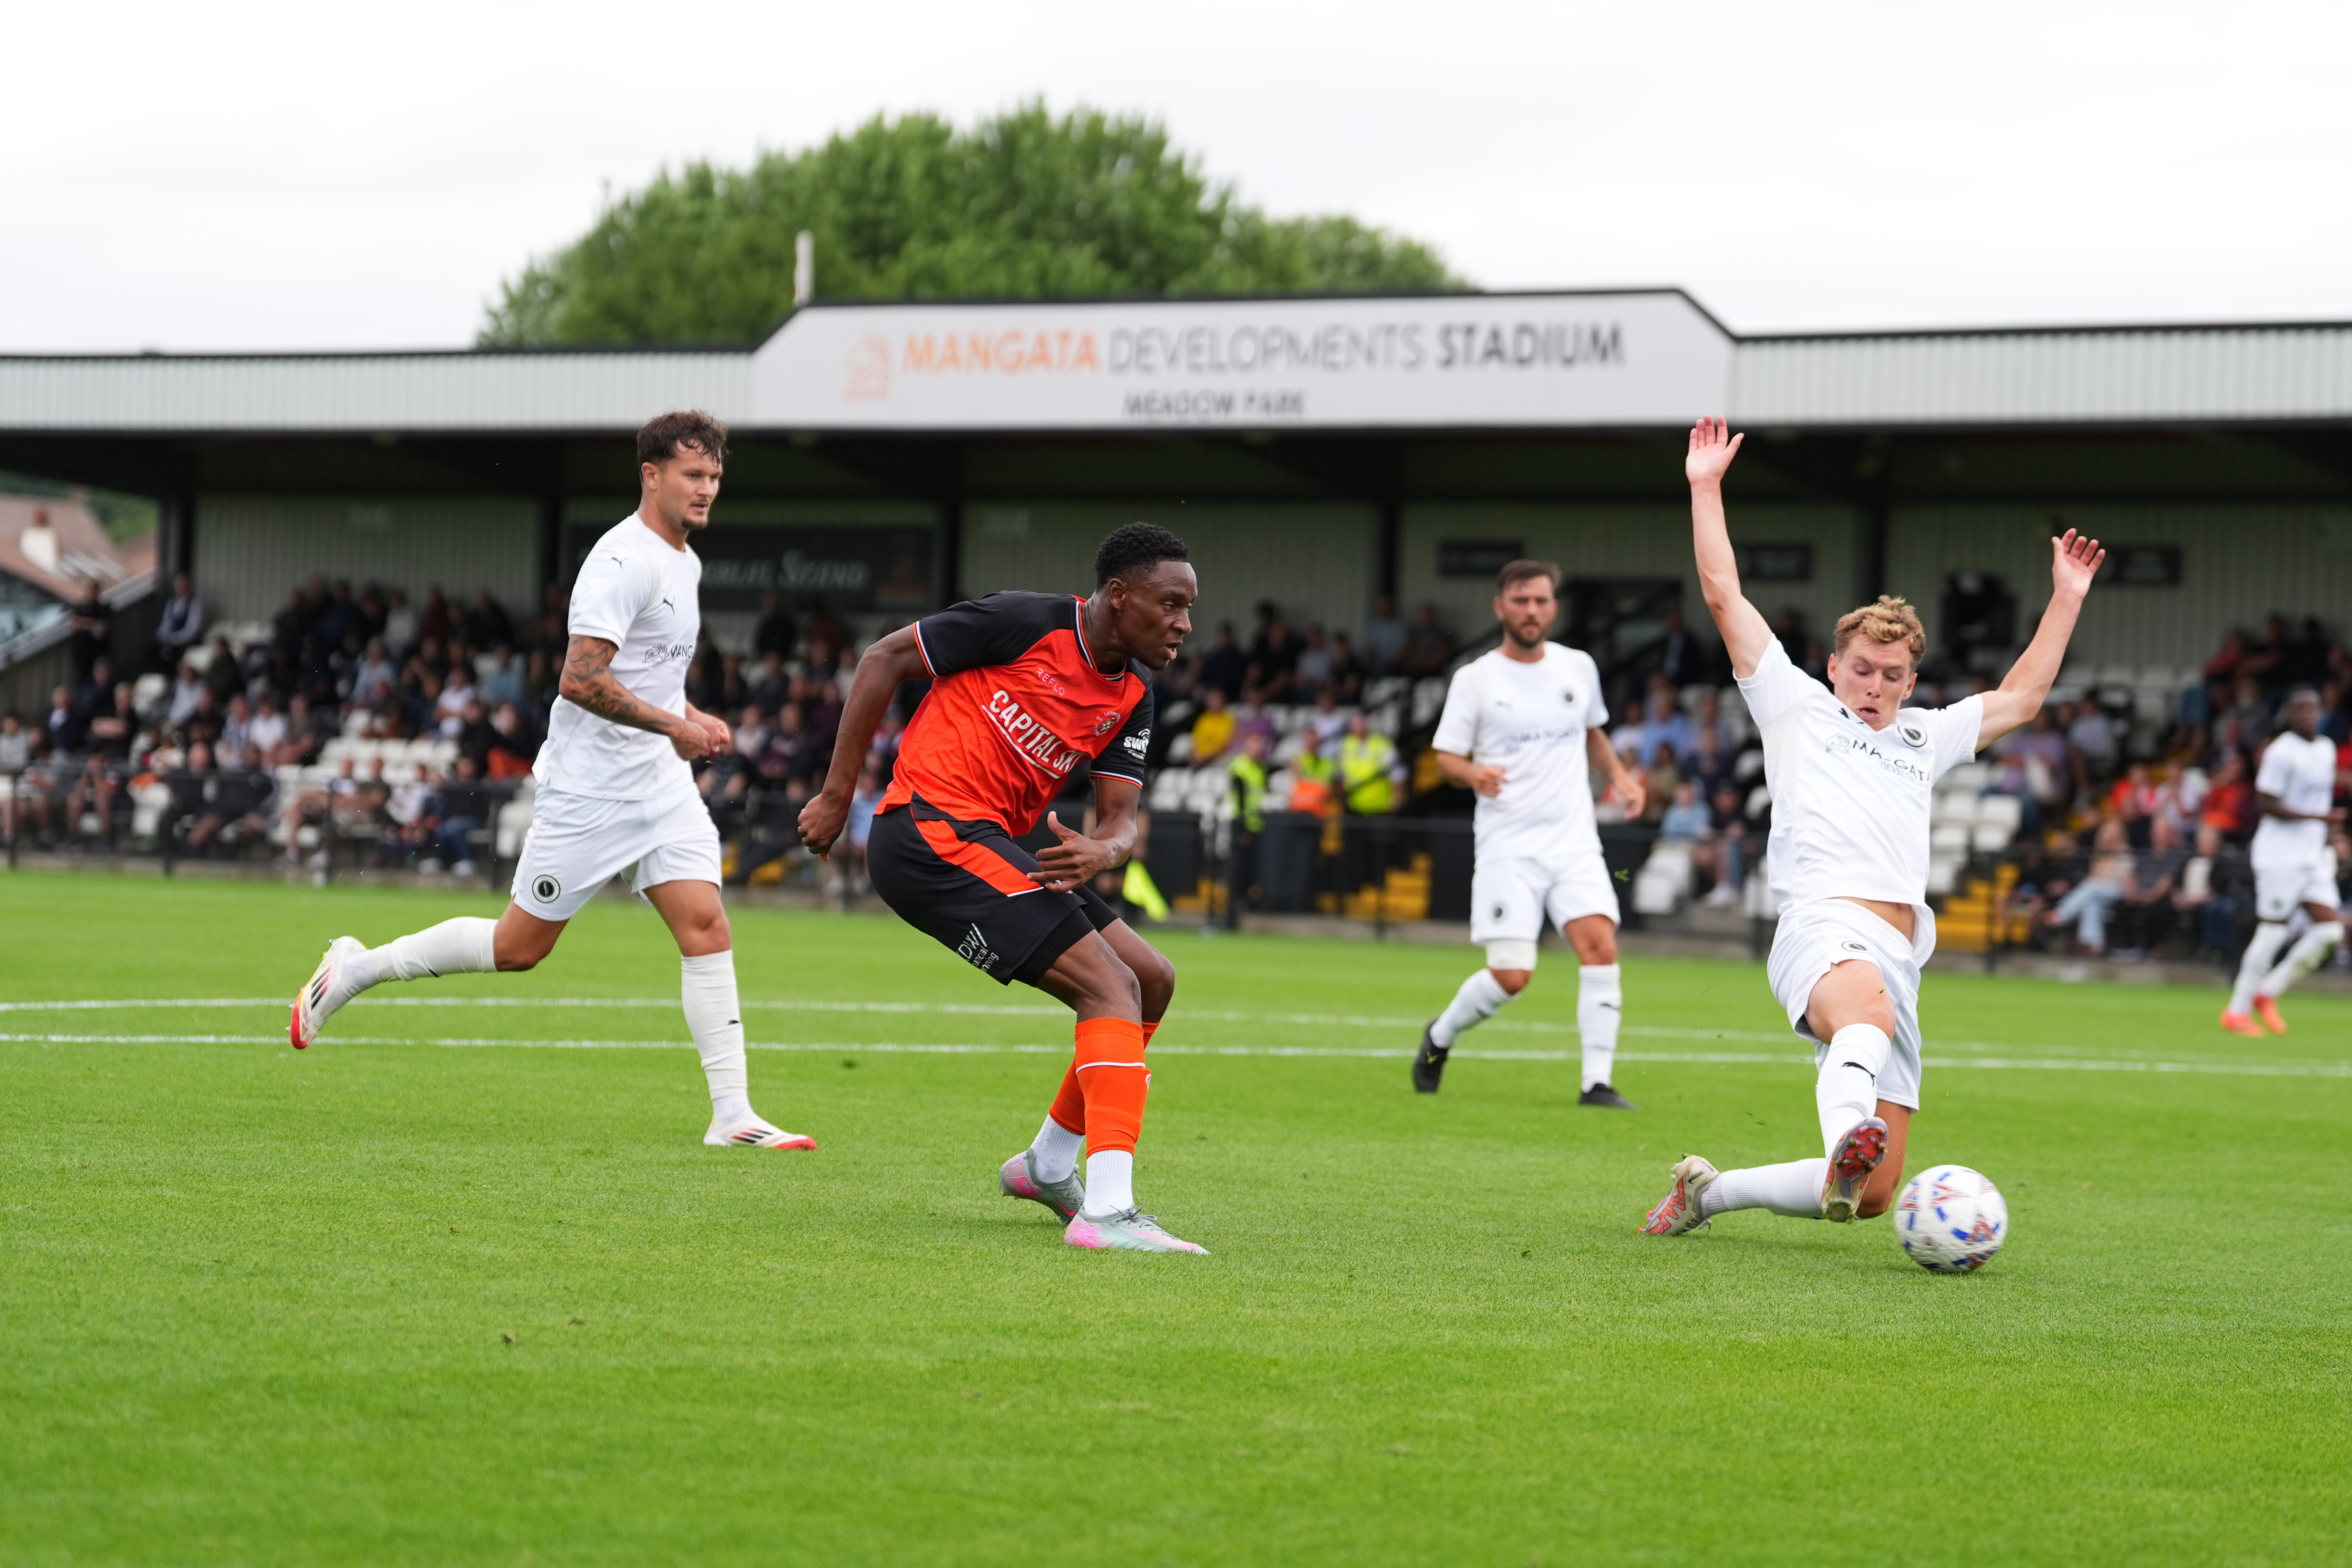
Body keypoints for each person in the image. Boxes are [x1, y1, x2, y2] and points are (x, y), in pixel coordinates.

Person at [290, 411, 813, 1152]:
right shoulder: (622, 561)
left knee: (706, 926)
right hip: (591, 791)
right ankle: (356, 968)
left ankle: (733, 1114)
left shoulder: (686, 563)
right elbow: (579, 680)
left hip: (660, 786)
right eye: (693, 475)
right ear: (652, 476)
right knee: (519, 947)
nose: (706, 490)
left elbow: (651, 679)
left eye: (715, 477)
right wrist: (675, 726)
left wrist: (692, 717)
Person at [1645, 418, 2104, 1238]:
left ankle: (1706, 1194)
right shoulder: (1794, 706)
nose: (1874, 685)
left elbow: (2022, 698)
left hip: (1900, 954)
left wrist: (2066, 597)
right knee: (1863, 1012)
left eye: (1892, 675)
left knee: (1874, 1196)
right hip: (1820, 924)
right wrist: (1704, 485)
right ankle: (1845, 1138)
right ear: (1832, 666)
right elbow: (1722, 593)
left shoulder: (1926, 736)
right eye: (1860, 669)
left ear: (1910, 682)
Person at [797, 522, 1204, 1254]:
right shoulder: (1024, 621)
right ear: (1119, 595)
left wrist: (1103, 851)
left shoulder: (1134, 696)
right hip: (927, 832)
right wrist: (836, 795)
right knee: (1111, 986)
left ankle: (1048, 1165)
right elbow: (884, 658)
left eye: (1188, 609)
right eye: (1170, 605)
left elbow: (1121, 820)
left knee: (1151, 979)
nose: (1184, 625)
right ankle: (1109, 1212)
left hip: (993, 845)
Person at [1411, 559, 1647, 1107]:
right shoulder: (1476, 678)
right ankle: (1439, 1036)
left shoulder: (1578, 667)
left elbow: (1592, 732)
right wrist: (1474, 773)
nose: (1531, 610)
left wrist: (1618, 777)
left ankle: (1596, 1083)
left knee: (1600, 948)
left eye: (1541, 601)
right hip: (1509, 846)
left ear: (1554, 608)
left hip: (1574, 841)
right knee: (1512, 975)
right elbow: (1446, 757)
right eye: (1520, 601)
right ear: (1501, 608)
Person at [2221, 687, 2346, 1034]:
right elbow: (2265, 803)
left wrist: (2328, 834)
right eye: (2301, 710)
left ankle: (2268, 992)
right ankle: (2237, 1011)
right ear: (2288, 715)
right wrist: (2319, 819)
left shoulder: (2325, 748)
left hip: (2312, 855)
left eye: (2314, 709)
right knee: (2273, 931)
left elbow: (2321, 795)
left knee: (2330, 931)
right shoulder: (2280, 752)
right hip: (2280, 856)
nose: (2309, 715)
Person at [154, 571, 205, 672]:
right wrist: (163, 636)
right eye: (178, 587)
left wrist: (175, 639)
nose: (180, 590)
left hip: (186, 642)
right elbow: (166, 623)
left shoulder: (195, 604)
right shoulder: (172, 603)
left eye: (183, 587)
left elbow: (192, 630)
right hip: (171, 639)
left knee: (175, 655)